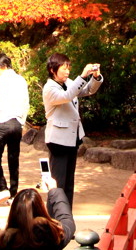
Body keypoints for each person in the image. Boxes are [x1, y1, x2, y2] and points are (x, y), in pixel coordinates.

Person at [42, 54, 103, 207]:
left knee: (69, 184)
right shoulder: (49, 88)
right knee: (58, 185)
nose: (67, 72)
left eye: (68, 68)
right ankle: (54, 221)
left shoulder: (69, 83)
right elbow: (67, 96)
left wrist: (95, 77)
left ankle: (66, 219)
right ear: (52, 70)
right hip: (57, 140)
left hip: (72, 138)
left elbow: (88, 90)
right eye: (64, 68)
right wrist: (82, 76)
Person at [0, 53, 30, 205]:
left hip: (2, 122)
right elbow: (26, 102)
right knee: (13, 159)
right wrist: (22, 122)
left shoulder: (2, 81)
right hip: (16, 123)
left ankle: (1, 189)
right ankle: (13, 194)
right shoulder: (21, 79)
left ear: (3, 66)